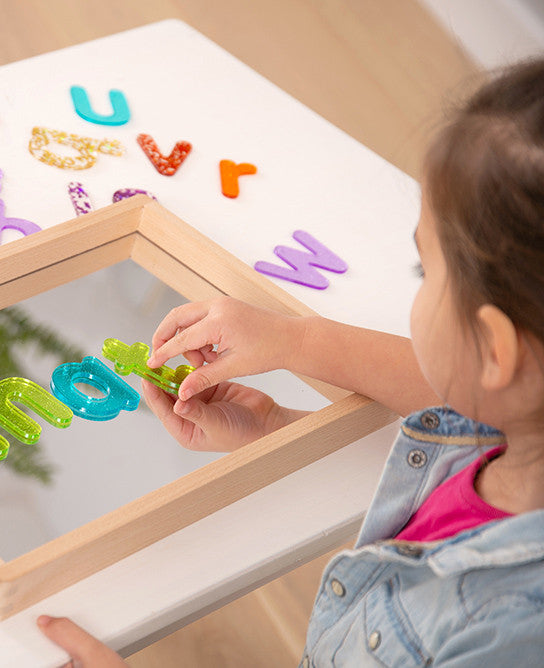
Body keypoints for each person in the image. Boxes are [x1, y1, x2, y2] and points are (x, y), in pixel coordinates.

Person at [38, 57, 544, 666]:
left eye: (424, 271)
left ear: (495, 349)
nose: (417, 287)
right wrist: (284, 387)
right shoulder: (519, 429)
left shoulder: (507, 633)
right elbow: (448, 395)